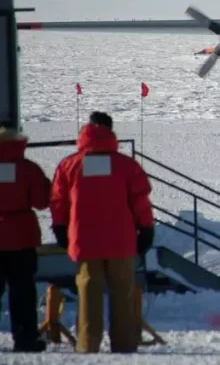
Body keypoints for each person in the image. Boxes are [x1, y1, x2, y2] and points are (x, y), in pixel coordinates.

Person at [50, 111, 156, 353]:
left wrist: (60, 228)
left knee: (88, 293)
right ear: (110, 131)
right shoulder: (126, 165)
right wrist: (146, 228)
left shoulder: (69, 165)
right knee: (122, 292)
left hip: (85, 240)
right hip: (121, 240)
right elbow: (140, 201)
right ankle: (125, 344)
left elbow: (58, 201)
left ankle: (88, 344)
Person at [0, 122, 50, 352]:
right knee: (23, 291)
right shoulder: (29, 168)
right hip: (22, 236)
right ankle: (26, 338)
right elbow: (41, 201)